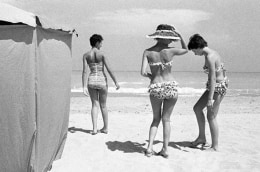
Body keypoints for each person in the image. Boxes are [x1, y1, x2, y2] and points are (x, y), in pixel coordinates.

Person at [141, 24, 188, 158]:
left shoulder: (147, 52)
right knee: (166, 120)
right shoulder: (171, 51)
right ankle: (165, 149)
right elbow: (186, 49)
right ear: (165, 38)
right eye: (170, 38)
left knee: (156, 119)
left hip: (156, 87)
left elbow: (142, 72)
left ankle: (149, 148)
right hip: (171, 87)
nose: (171, 41)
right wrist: (180, 34)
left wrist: (152, 77)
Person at [188, 34, 228, 151]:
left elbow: (213, 78)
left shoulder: (210, 56)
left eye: (194, 51)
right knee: (197, 108)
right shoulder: (213, 53)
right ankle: (201, 138)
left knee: (211, 116)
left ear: (198, 47)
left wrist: (210, 98)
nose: (195, 54)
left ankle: (215, 146)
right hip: (216, 87)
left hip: (217, 88)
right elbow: (222, 70)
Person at [82, 34, 120, 135]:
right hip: (102, 80)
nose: (102, 45)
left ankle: (94, 129)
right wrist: (116, 81)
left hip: (91, 81)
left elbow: (84, 72)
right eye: (101, 42)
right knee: (103, 105)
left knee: (94, 105)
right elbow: (109, 69)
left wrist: (83, 86)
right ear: (97, 42)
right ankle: (105, 128)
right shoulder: (102, 54)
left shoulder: (86, 55)